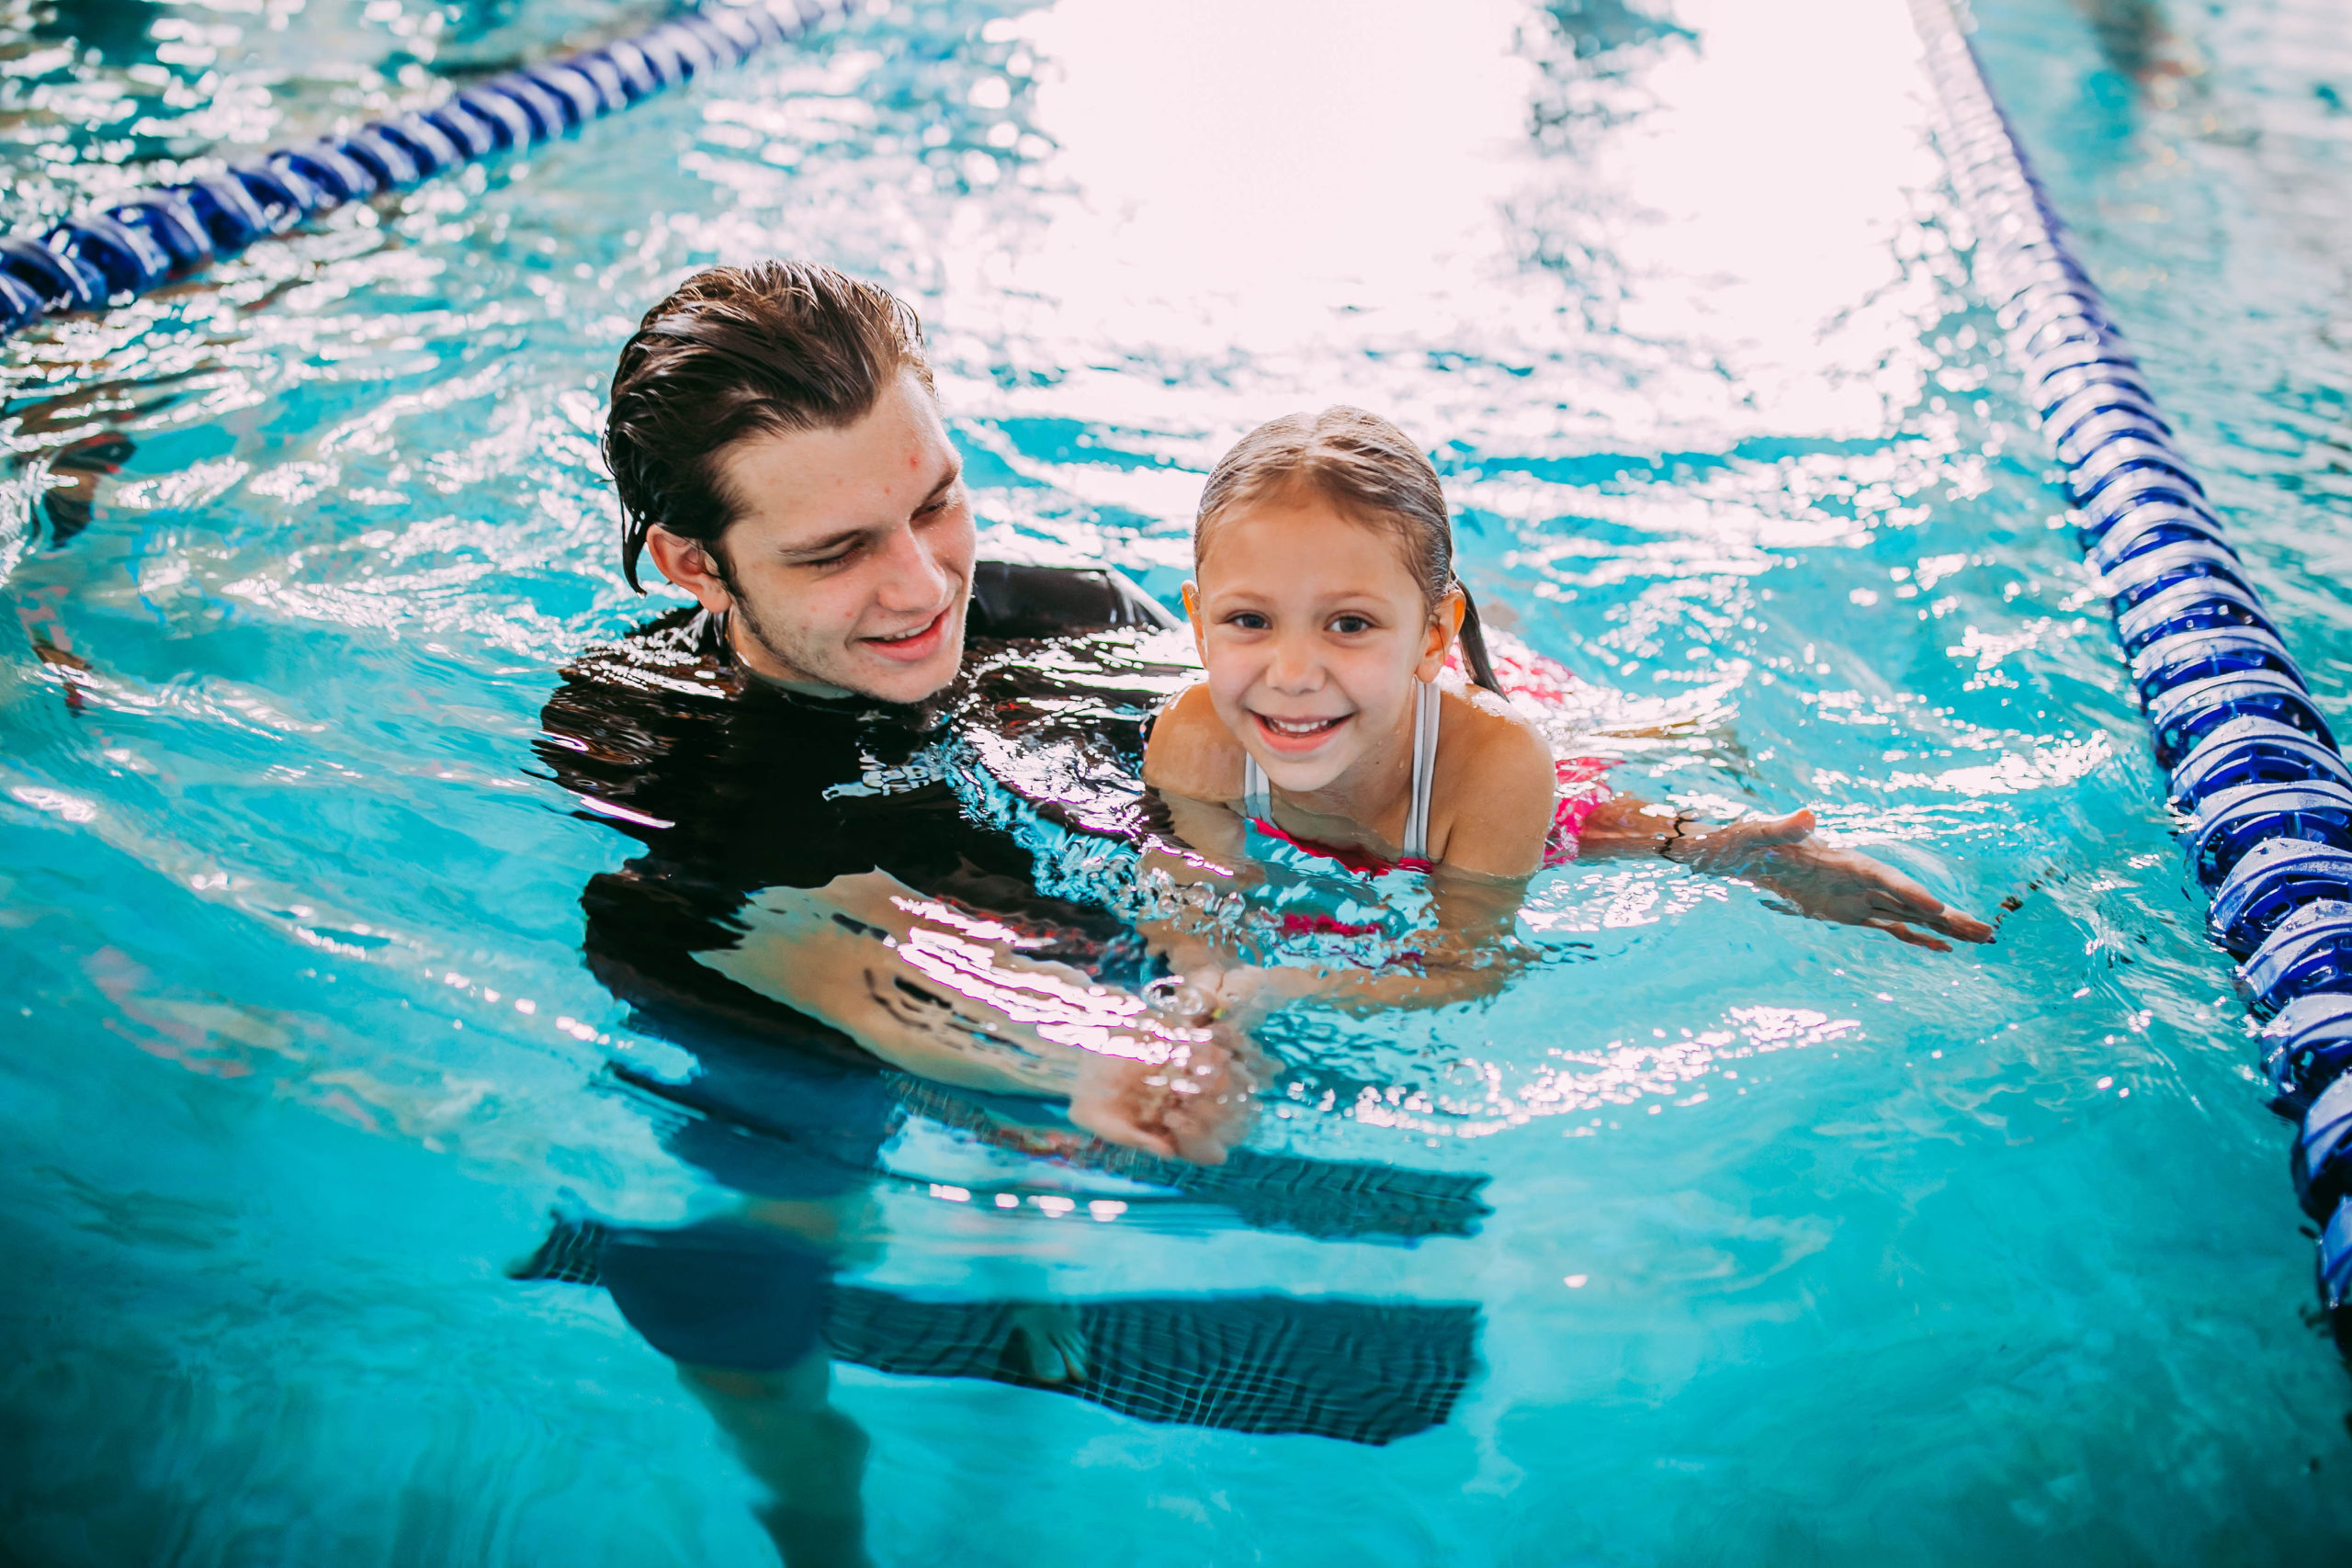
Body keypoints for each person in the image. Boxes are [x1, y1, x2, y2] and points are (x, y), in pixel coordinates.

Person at [1142, 405, 1996, 1014]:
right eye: (1249, 621)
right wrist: (1204, 1008)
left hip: (1496, 757)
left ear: (1435, 634)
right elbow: (1196, 918)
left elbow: (1467, 970)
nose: (1292, 673)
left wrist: (1280, 986)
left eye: (1350, 623)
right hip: (1413, 718)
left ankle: (1609, 704)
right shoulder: (1193, 742)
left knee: (1610, 819)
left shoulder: (1496, 764)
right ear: (1198, 625)